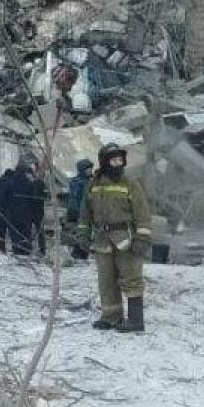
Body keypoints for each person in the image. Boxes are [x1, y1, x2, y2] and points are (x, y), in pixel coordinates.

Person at [79, 143, 153, 333]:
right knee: (106, 281)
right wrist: (82, 236)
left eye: (120, 160)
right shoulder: (93, 185)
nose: (118, 164)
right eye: (114, 160)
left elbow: (143, 214)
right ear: (104, 162)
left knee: (132, 279)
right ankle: (111, 317)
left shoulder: (130, 184)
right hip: (102, 241)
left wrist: (142, 238)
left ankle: (136, 320)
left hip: (126, 240)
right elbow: (85, 214)